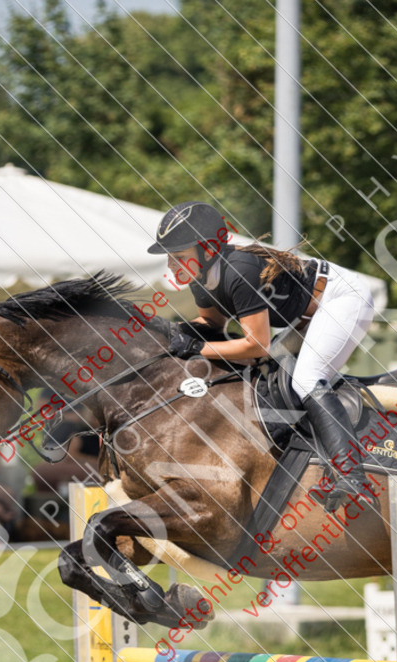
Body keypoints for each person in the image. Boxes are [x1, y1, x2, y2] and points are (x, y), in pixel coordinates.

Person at [147, 201, 374, 505]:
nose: (171, 266)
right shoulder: (202, 276)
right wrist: (171, 331)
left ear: (208, 249)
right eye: (170, 258)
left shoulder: (238, 271)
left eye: (179, 256)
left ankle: (353, 477)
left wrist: (199, 347)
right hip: (305, 317)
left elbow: (256, 345)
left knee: (306, 380)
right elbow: (213, 322)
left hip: (341, 299)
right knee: (268, 381)